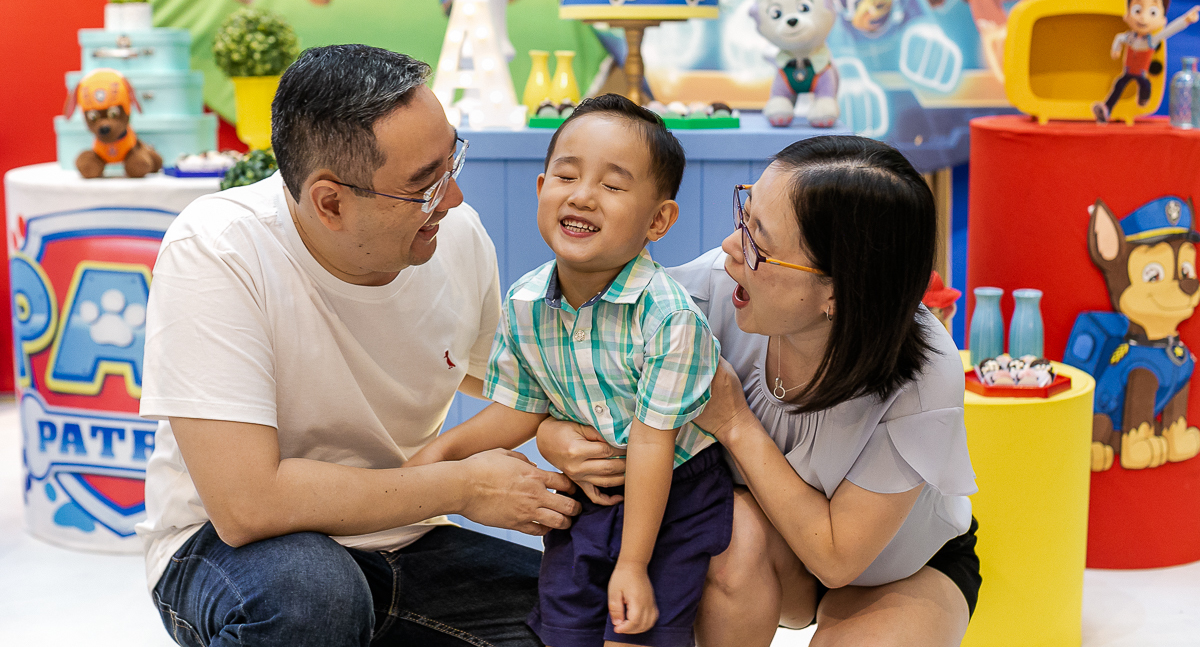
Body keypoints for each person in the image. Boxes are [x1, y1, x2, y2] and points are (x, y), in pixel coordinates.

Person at [137, 44, 580, 647]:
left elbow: (513, 385)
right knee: (313, 599)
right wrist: (465, 486)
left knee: (579, 615)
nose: (450, 200)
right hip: (229, 548)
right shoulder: (219, 250)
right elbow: (247, 505)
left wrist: (560, 433)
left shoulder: (456, 237)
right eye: (424, 185)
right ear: (330, 202)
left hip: (403, 532)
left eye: (453, 164)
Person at [539, 135, 981, 646]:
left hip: (904, 567)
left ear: (837, 291)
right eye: (743, 217)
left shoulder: (924, 372)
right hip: (766, 546)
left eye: (758, 244)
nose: (730, 247)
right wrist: (555, 437)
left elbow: (838, 558)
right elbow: (577, 377)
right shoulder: (705, 295)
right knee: (721, 530)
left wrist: (735, 424)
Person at [408, 95, 732, 647]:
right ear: (541, 190)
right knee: (563, 630)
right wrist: (439, 454)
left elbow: (653, 446)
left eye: (613, 185)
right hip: (590, 495)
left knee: (632, 633)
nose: (582, 196)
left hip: (674, 496)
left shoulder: (670, 318)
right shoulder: (527, 300)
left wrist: (632, 564)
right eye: (567, 175)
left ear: (659, 219)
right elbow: (520, 407)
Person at [1093, 0, 1200, 123]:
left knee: (1145, 85)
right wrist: (1116, 49)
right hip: (1128, 72)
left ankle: (1143, 99)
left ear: (1162, 19)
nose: (1143, 17)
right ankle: (1106, 109)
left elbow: (1170, 30)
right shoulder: (1129, 37)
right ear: (1127, 15)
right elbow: (1119, 38)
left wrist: (1186, 20)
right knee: (1119, 84)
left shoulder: (1152, 40)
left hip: (1142, 73)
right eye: (1137, 10)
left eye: (1152, 12)